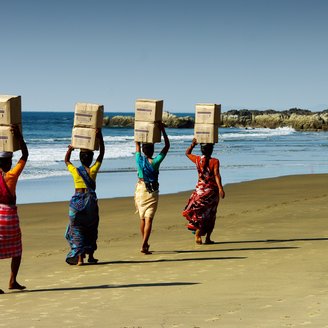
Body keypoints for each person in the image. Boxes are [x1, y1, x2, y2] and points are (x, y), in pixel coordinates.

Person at [64, 129, 104, 265]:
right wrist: (100, 138)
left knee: (77, 229)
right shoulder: (93, 170)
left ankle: (80, 258)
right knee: (91, 228)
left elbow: (66, 161)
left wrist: (70, 149)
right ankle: (91, 257)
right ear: (91, 159)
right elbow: (102, 155)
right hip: (90, 202)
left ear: (80, 159)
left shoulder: (75, 171)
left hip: (76, 202)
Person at [0, 125, 28, 294]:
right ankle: (12, 280)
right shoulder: (12, 175)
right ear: (9, 162)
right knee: (17, 248)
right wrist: (18, 136)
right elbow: (25, 155)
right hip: (9, 215)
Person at [135, 122, 170, 254]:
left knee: (142, 218)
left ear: (143, 151)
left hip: (140, 190)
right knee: (149, 218)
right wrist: (162, 130)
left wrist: (139, 131)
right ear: (152, 151)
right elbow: (167, 146)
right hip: (152, 191)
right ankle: (144, 243)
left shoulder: (139, 159)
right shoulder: (155, 162)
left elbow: (137, 144)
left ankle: (144, 242)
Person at [182, 138, 225, 245]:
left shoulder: (197, 160)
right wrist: (220, 188)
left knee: (200, 214)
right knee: (211, 215)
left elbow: (187, 153)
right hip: (211, 192)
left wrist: (193, 144)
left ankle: (198, 232)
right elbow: (216, 175)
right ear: (211, 150)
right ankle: (208, 238)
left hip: (200, 191)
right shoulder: (215, 161)